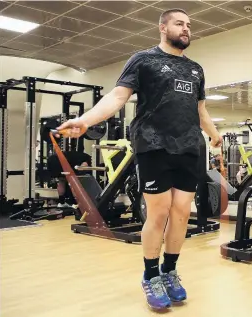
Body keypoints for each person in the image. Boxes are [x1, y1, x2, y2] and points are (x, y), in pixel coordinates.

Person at [55, 8, 222, 310]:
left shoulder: (196, 69)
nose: (186, 29)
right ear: (162, 27)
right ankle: (150, 275)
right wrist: (86, 120)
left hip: (188, 147)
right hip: (153, 145)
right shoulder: (144, 60)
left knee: (183, 213)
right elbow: (117, 97)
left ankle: (169, 272)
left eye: (188, 25)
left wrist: (214, 133)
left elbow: (200, 111)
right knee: (158, 213)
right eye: (179, 24)